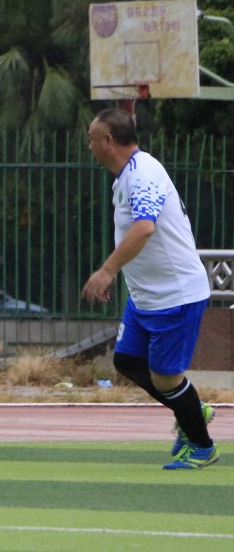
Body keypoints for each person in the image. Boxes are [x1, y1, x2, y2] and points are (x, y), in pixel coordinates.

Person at [82, 107, 217, 470]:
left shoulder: (143, 174)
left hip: (175, 295)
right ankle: (191, 409)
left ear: (108, 141)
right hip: (146, 298)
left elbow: (144, 228)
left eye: (92, 139)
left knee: (166, 377)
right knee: (127, 361)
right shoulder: (125, 176)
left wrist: (107, 271)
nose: (89, 145)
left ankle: (201, 446)